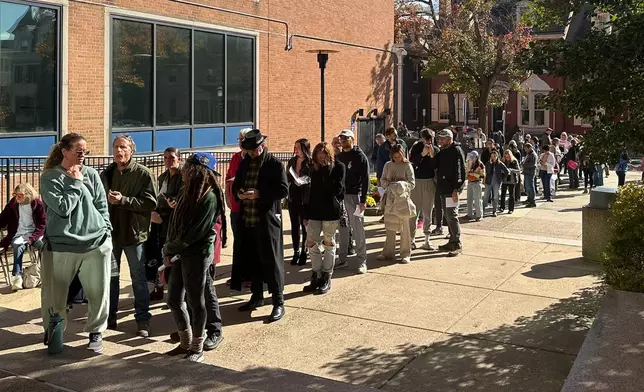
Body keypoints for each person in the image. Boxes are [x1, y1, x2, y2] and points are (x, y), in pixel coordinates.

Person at [39, 133, 113, 353]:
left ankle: (96, 333)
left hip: (96, 244)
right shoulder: (50, 177)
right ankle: (54, 332)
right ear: (64, 152)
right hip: (62, 246)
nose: (83, 156)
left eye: (85, 152)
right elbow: (62, 208)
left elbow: (102, 206)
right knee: (55, 296)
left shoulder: (91, 174)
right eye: (78, 151)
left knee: (98, 293)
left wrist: (107, 232)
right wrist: (75, 183)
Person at [163, 152, 224, 362]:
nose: (184, 170)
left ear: (197, 171)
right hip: (180, 251)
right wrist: (168, 248)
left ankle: (197, 346)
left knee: (196, 300)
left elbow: (195, 233)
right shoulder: (185, 190)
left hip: (197, 254)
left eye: (188, 166)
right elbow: (174, 222)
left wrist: (171, 248)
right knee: (173, 298)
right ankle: (185, 340)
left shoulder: (209, 197)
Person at [101, 135, 158, 337]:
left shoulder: (144, 174)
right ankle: (110, 318)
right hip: (112, 235)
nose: (119, 151)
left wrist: (123, 200)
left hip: (134, 235)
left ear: (131, 150)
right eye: (116, 147)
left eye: (123, 147)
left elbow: (151, 203)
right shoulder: (106, 174)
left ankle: (143, 320)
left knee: (138, 279)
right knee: (111, 278)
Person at [231, 129, 288, 323]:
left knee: (271, 262)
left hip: (266, 220)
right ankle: (257, 296)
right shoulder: (245, 162)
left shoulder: (274, 164)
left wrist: (259, 194)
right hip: (248, 219)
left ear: (261, 146)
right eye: (249, 150)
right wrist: (239, 193)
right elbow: (236, 184)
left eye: (254, 149)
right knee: (252, 260)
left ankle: (278, 302)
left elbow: (283, 190)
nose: (252, 153)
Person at [303, 142, 345, 293]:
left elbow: (338, 191)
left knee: (328, 243)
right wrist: (306, 213)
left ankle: (327, 276)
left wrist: (326, 170)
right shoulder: (313, 169)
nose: (320, 160)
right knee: (311, 242)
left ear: (329, 155)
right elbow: (310, 192)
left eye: (323, 157)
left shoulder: (338, 167)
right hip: (315, 211)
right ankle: (316, 274)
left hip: (330, 211)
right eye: (318, 157)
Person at [147, 147, 183, 301]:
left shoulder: (183, 177)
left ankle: (178, 290)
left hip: (175, 222)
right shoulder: (162, 177)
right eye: (166, 158)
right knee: (159, 254)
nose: (168, 161)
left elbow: (184, 198)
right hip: (159, 222)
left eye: (172, 157)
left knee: (174, 257)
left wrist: (173, 202)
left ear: (179, 159)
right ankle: (158, 286)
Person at [0, 183, 46, 290]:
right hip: (19, 233)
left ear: (28, 194)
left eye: (19, 195)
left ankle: (44, 273)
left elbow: (43, 225)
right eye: (15, 195)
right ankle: (17, 277)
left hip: (35, 233)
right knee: (17, 246)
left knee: (44, 247)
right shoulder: (13, 204)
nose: (16, 197)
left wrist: (32, 238)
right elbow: (2, 219)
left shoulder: (38, 205)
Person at [336, 130, 369, 273]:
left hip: (355, 197)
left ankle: (362, 261)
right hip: (341, 198)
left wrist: (363, 200)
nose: (342, 141)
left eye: (345, 138)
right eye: (341, 138)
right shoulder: (339, 156)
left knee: (358, 230)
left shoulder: (360, 156)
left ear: (352, 139)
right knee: (343, 229)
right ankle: (342, 259)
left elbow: (366, 179)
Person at [429, 129, 466, 256]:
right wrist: (431, 154)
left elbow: (461, 171)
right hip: (443, 189)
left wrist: (457, 189)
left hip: (451, 190)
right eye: (439, 138)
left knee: (452, 215)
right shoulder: (442, 151)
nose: (440, 141)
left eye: (443, 138)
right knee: (447, 216)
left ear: (449, 139)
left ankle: (456, 242)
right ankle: (451, 240)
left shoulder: (456, 151)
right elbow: (434, 165)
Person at [378, 144, 416, 264]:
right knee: (390, 227)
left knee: (404, 228)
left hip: (403, 200)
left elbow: (412, 183)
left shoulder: (407, 165)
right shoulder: (388, 165)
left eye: (399, 156)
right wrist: (389, 185)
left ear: (402, 154)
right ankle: (388, 252)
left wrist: (401, 185)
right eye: (395, 157)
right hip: (390, 199)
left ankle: (405, 253)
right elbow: (382, 179)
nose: (397, 158)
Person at [409, 129, 439, 250]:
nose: (429, 141)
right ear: (422, 138)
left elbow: (436, 166)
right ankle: (411, 240)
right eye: (427, 138)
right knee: (413, 212)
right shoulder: (416, 147)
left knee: (428, 212)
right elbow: (412, 163)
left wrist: (432, 156)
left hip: (429, 181)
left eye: (431, 138)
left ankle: (427, 240)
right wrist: (422, 154)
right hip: (417, 182)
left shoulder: (435, 149)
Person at [286, 139, 312, 266]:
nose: (296, 150)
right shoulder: (292, 161)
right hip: (293, 196)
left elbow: (313, 177)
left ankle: (304, 251)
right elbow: (287, 177)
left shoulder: (311, 162)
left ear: (305, 149)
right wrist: (292, 181)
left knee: (305, 225)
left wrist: (304, 180)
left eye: (299, 148)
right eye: (295, 147)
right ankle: (296, 251)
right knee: (294, 225)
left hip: (305, 198)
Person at [483, 150, 508, 217]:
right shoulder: (488, 163)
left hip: (496, 182)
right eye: (492, 156)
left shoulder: (500, 164)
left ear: (497, 156)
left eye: (494, 156)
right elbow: (487, 172)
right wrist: (490, 164)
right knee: (485, 197)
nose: (493, 157)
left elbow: (507, 171)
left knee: (495, 197)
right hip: (489, 182)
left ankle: (494, 211)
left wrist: (501, 178)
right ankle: (482, 210)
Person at [466, 151, 485, 221]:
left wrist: (473, 174)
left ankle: (479, 215)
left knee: (477, 200)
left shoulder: (480, 165)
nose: (472, 158)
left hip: (477, 183)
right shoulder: (469, 163)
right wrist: (469, 167)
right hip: (470, 182)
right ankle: (469, 214)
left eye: (473, 157)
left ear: (477, 157)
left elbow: (482, 175)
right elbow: (467, 172)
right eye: (471, 157)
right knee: (469, 199)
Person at [500, 150, 521, 214]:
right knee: (503, 194)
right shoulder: (502, 161)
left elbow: (519, 170)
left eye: (508, 157)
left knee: (511, 195)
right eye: (506, 157)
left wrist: (512, 170)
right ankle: (502, 207)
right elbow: (499, 170)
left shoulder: (514, 161)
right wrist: (503, 171)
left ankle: (511, 209)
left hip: (512, 180)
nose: (507, 158)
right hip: (504, 180)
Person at [522, 142, 538, 208]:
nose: (525, 150)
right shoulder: (528, 154)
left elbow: (533, 164)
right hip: (526, 172)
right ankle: (529, 199)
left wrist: (524, 165)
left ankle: (532, 201)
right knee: (528, 187)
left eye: (526, 149)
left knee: (531, 187)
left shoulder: (533, 154)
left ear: (530, 148)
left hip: (530, 172)